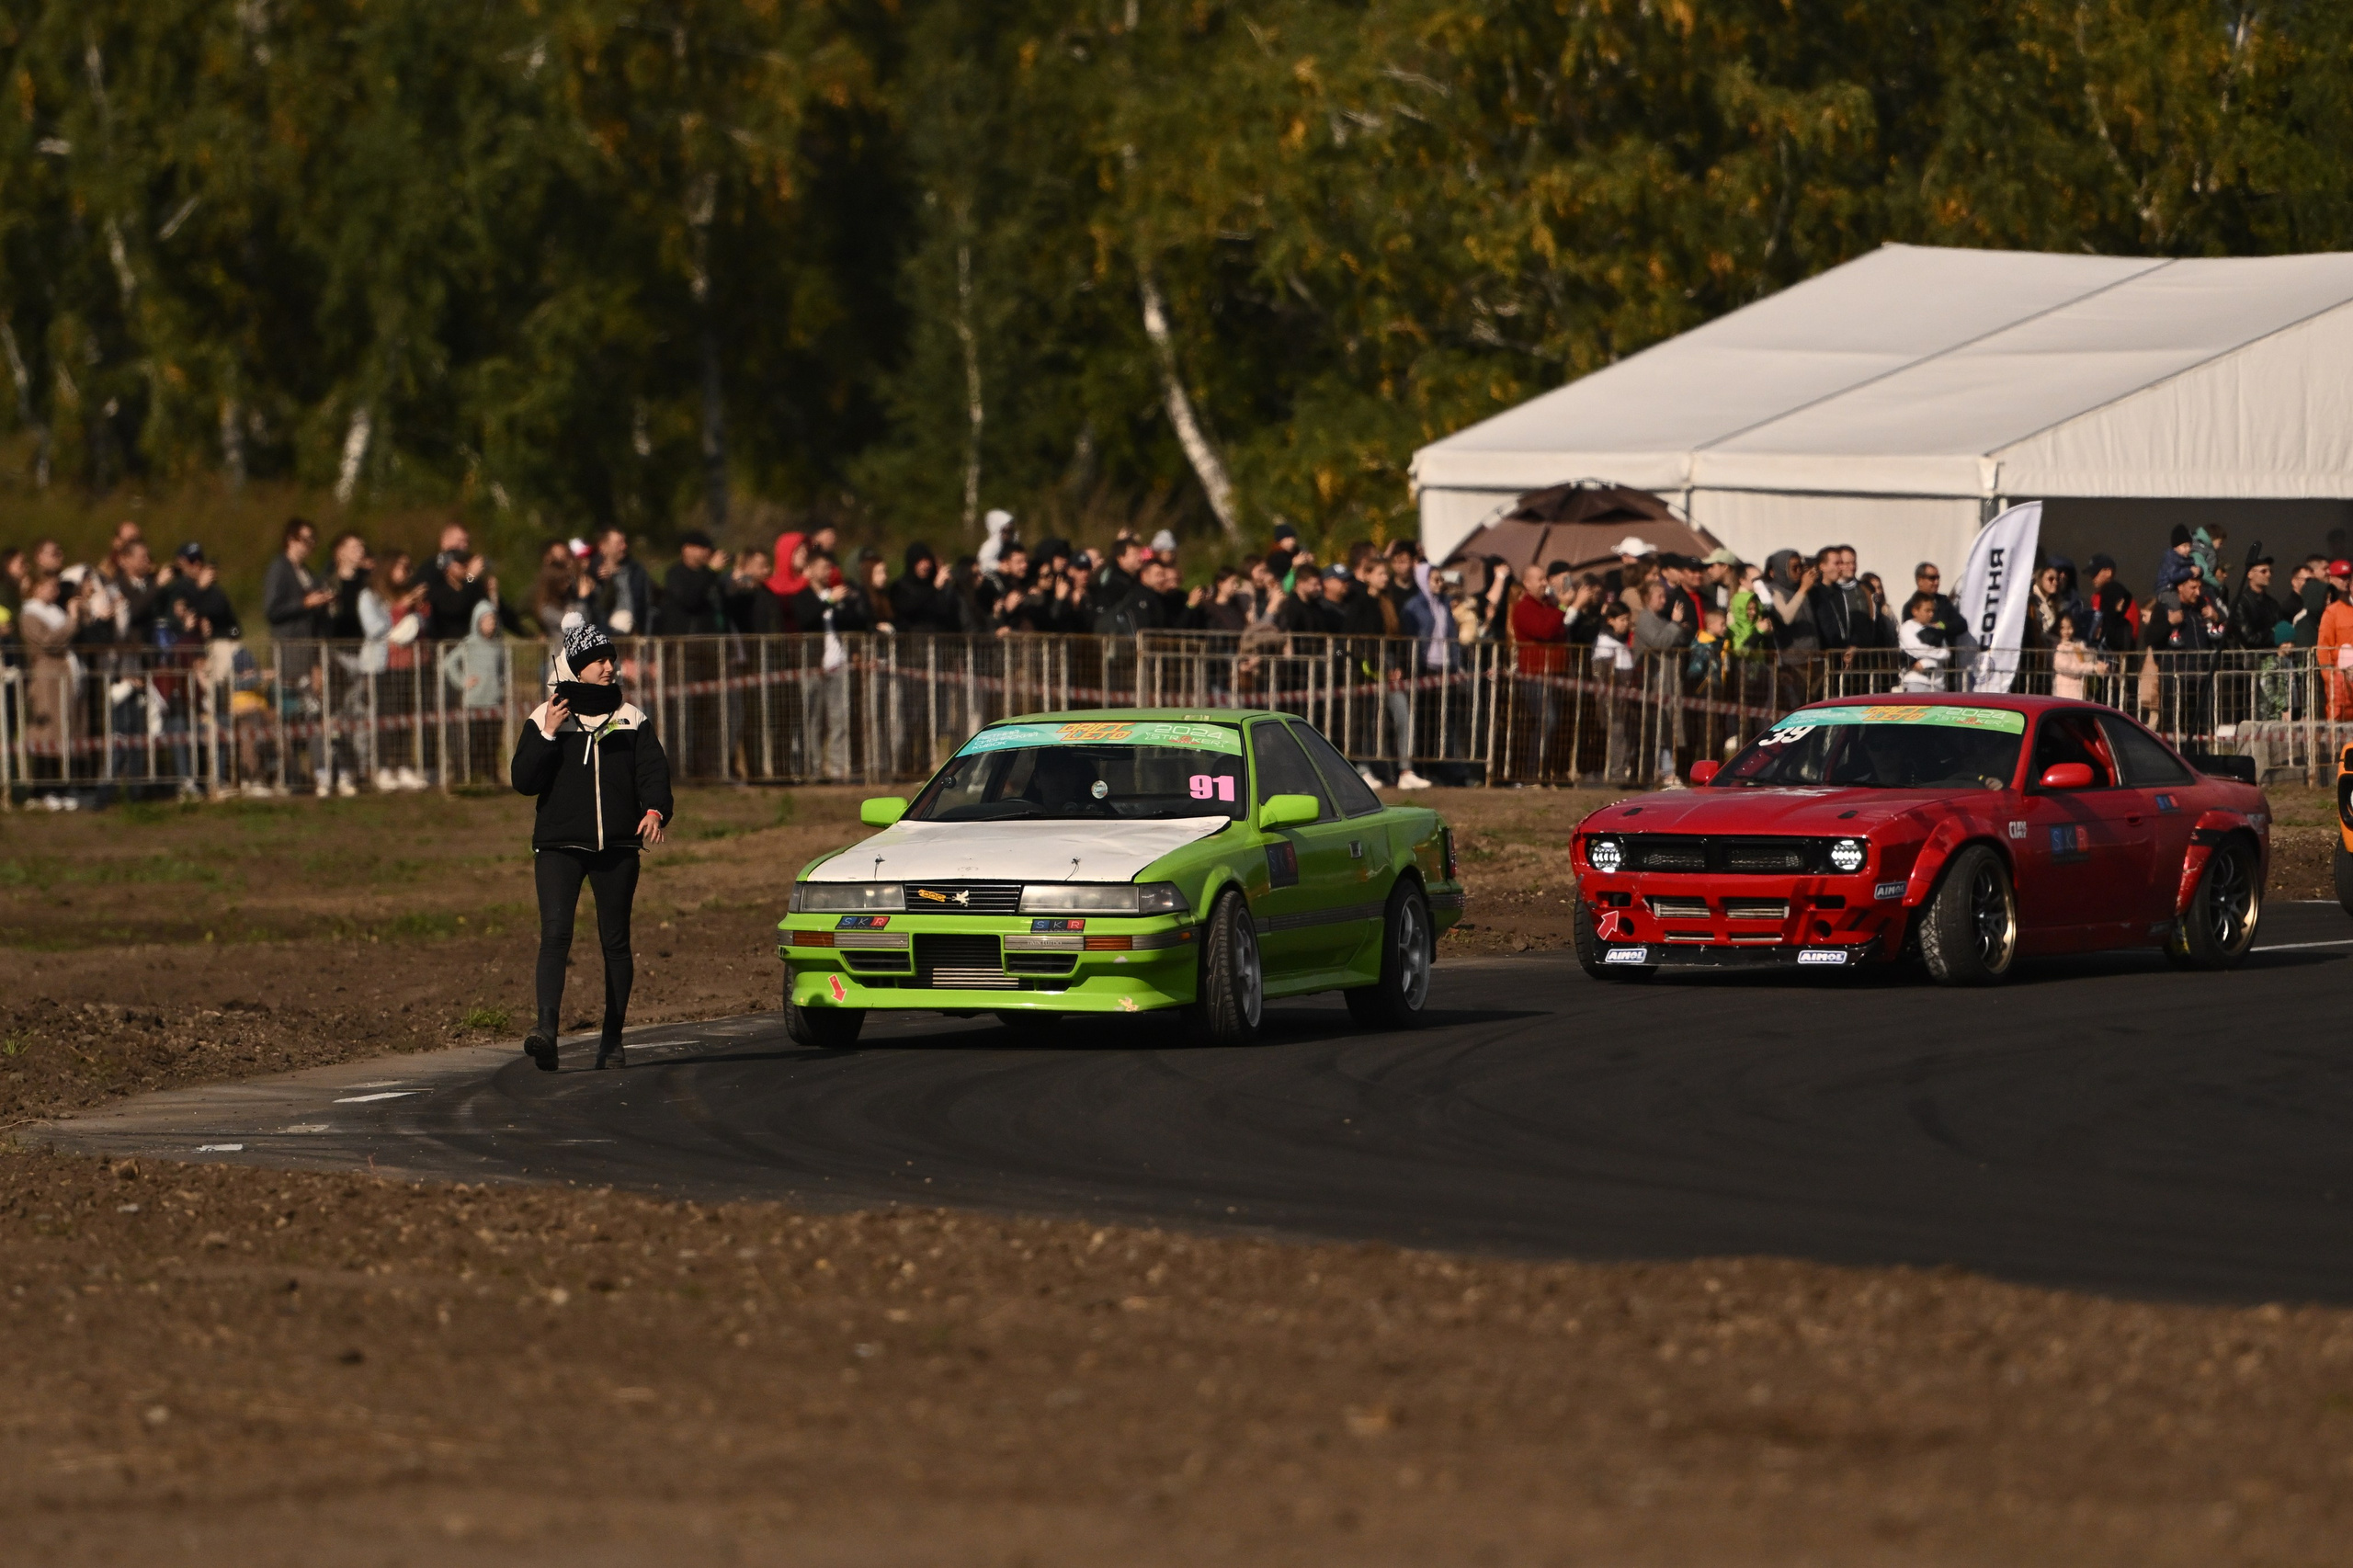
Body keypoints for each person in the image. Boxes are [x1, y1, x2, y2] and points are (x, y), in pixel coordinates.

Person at [510, 621, 674, 1074]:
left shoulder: (631, 717)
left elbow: (653, 774)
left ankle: (613, 1040)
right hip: (558, 846)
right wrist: (546, 734)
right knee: (556, 935)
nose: (609, 666)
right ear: (578, 667)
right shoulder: (547, 715)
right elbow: (522, 780)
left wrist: (656, 811)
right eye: (599, 660)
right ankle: (546, 1033)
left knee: (615, 942)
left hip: (618, 846)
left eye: (610, 659)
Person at [263, 517, 335, 645]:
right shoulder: (279, 568)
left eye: (313, 539)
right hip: (289, 644)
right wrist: (304, 603)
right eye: (306, 539)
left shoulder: (308, 573)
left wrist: (324, 599)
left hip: (310, 643)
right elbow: (273, 611)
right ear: (291, 540)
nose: (311, 543)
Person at [654, 529, 729, 635]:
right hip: (686, 638)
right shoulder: (676, 573)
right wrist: (710, 571)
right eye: (702, 548)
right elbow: (690, 600)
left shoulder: (709, 575)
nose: (707, 552)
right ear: (687, 549)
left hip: (711, 639)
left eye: (709, 548)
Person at [591, 528, 654, 637]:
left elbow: (647, 606)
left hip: (634, 637)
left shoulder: (636, 571)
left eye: (624, 542)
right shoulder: (593, 575)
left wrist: (646, 634)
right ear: (603, 547)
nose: (624, 547)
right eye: (618, 543)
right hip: (606, 639)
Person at [1896, 592, 1951, 693]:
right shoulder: (1907, 627)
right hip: (1916, 681)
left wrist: (1926, 662)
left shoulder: (1935, 629)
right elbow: (1916, 650)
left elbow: (1946, 653)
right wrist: (1934, 656)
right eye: (1927, 610)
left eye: (1933, 611)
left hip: (1937, 683)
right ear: (1915, 611)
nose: (1931, 614)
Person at [2050, 611, 2109, 700]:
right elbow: (2070, 668)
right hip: (2065, 694)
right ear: (2057, 629)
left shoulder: (2078, 644)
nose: (2066, 631)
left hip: (2081, 691)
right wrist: (2093, 668)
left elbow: (2088, 657)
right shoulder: (2057, 648)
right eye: (2062, 628)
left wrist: (2098, 664)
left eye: (2070, 627)